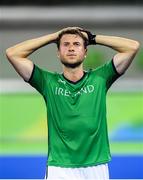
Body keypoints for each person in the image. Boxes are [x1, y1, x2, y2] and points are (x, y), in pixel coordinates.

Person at [6, 27, 140, 179]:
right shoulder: (48, 82)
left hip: (96, 166)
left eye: (76, 44)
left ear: (85, 53)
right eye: (65, 44)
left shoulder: (100, 78)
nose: (71, 48)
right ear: (58, 53)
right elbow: (12, 53)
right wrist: (53, 37)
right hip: (60, 167)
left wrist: (92, 38)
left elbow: (132, 47)